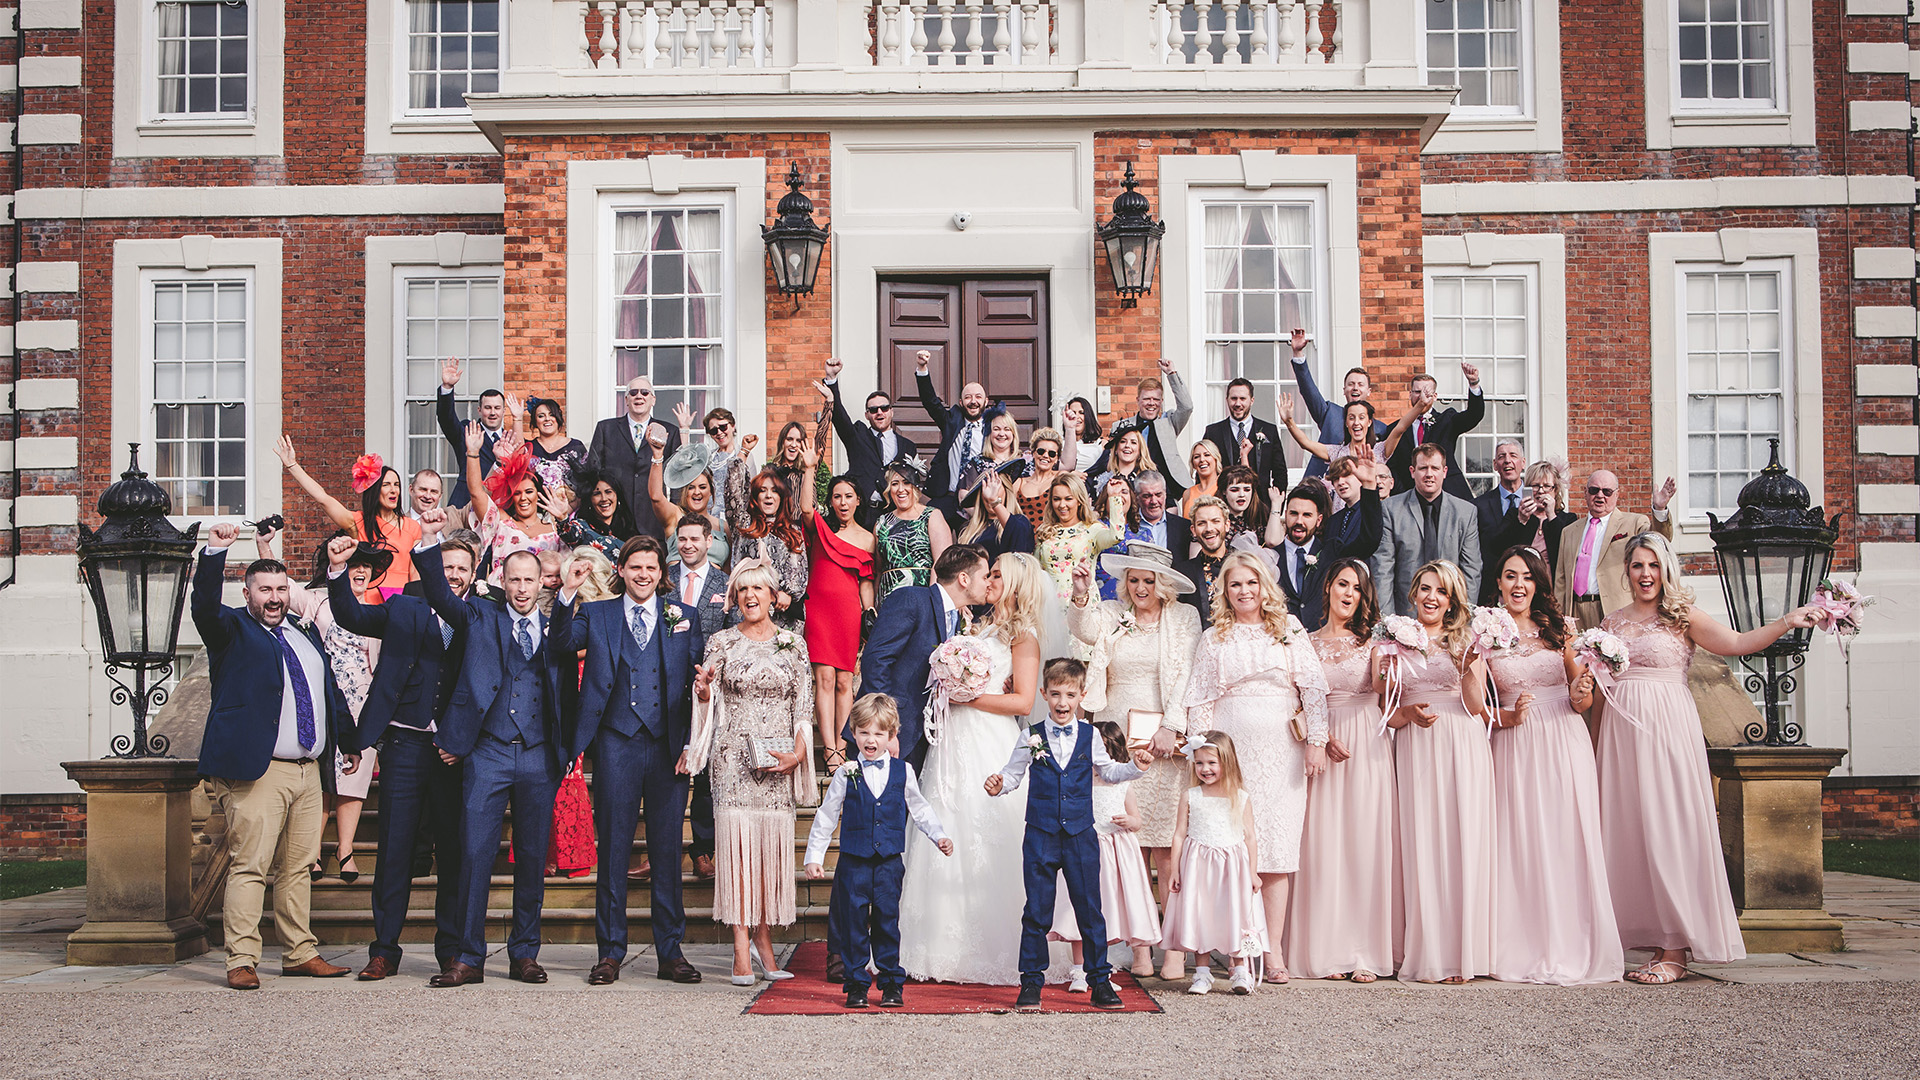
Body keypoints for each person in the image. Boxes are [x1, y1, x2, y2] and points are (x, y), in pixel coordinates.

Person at [1598, 533, 1819, 985]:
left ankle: (1676, 947)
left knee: (1670, 828)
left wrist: (1785, 622)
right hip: (1621, 736)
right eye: (1638, 565)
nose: (1645, 575)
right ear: (1627, 571)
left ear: (1666, 570)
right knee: (1628, 829)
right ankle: (1636, 934)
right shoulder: (1611, 622)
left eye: (1654, 566)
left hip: (1667, 733)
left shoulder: (1682, 618)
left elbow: (1736, 643)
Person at [193, 522, 359, 990]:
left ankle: (299, 952)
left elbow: (328, 693)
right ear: (247, 593)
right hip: (259, 771)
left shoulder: (304, 635)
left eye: (281, 588)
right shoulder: (231, 632)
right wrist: (215, 552)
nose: (274, 596)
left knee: (298, 867)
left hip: (309, 772)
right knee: (250, 865)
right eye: (264, 588)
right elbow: (204, 607)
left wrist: (347, 743)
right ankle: (241, 958)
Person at [552, 535, 707, 986]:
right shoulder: (596, 613)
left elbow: (698, 679)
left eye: (652, 569)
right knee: (615, 850)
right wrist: (566, 593)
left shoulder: (685, 617)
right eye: (635, 567)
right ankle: (609, 953)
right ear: (621, 570)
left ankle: (670, 951)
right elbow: (560, 643)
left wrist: (697, 714)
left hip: (667, 747)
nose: (643, 575)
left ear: (662, 574)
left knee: (666, 852)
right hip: (615, 743)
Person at [324, 515, 473, 982]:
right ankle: (385, 949)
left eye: (461, 568)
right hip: (405, 743)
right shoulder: (405, 606)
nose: (452, 574)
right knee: (393, 851)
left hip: (452, 753)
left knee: (453, 852)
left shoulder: (482, 613)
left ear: (474, 573)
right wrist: (336, 574)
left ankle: (450, 949)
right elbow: (352, 616)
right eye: (445, 565)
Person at [423, 539, 572, 987]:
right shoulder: (479, 617)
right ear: (500, 582)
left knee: (530, 857)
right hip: (487, 751)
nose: (522, 588)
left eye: (529, 580)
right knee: (473, 854)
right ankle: (468, 957)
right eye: (514, 580)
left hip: (538, 754)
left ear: (541, 583)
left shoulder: (555, 627)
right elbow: (438, 593)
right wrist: (430, 542)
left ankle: (524, 953)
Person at [898, 552, 1049, 985]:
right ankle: (935, 944)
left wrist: (966, 696)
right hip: (952, 743)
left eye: (998, 575)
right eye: (990, 573)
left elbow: (1022, 701)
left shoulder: (1024, 637)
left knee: (987, 829)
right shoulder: (978, 627)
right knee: (947, 821)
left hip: (989, 741)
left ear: (1017, 584)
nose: (990, 580)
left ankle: (996, 946)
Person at [1184, 551, 1331, 983]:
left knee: (1275, 852)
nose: (1244, 591)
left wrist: (1316, 743)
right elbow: (1201, 698)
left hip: (1282, 749)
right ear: (1224, 591)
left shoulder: (1289, 629)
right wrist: (1200, 750)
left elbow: (1314, 690)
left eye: (1251, 582)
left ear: (1264, 585)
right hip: (1233, 749)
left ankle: (1274, 951)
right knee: (1233, 851)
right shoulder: (1214, 638)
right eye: (1235, 584)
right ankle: (1239, 952)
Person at [1483, 547, 1622, 985]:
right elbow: (1476, 705)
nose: (1518, 584)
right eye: (1510, 576)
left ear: (1538, 584)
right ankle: (1518, 944)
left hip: (1562, 738)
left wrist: (1583, 688)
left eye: (1526, 576)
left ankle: (1571, 942)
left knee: (1565, 836)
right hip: (1512, 743)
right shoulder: (1485, 636)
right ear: (1499, 584)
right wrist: (1507, 716)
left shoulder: (1560, 633)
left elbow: (1581, 700)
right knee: (1518, 839)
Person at [986, 657, 1152, 1011]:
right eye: (1057, 694)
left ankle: (1100, 982)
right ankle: (1031, 983)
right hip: (1041, 834)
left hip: (1080, 834)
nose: (1063, 703)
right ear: (1044, 693)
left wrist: (1135, 767)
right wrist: (998, 785)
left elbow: (1109, 771)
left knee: (1090, 910)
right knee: (1036, 911)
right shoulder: (1030, 735)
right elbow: (1013, 775)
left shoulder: (1091, 736)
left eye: (1071, 695)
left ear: (1082, 696)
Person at [1066, 542, 1199, 971]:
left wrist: (1172, 726)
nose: (1140, 587)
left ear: (1163, 585)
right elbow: (1085, 629)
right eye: (1133, 580)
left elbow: (1187, 675)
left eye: (1148, 581)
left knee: (1166, 844)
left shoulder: (1184, 618)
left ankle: (1175, 947)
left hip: (1165, 739)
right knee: (1127, 843)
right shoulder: (1111, 613)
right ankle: (1139, 948)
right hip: (1115, 735)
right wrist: (1083, 593)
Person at [683, 560, 817, 986]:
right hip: (732, 760)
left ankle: (764, 941)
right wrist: (702, 691)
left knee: (767, 851)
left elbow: (804, 706)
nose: (751, 596)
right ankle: (742, 946)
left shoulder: (794, 644)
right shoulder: (720, 642)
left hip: (778, 759)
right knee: (739, 852)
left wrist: (797, 756)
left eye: (759, 588)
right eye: (743, 590)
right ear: (735, 597)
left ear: (774, 596)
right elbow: (708, 698)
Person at [804, 694, 952, 1010]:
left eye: (878, 734)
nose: (871, 740)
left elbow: (920, 809)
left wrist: (938, 835)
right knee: (854, 927)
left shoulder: (903, 772)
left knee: (887, 924)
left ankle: (890, 984)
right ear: (853, 733)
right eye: (864, 732)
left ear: (891, 736)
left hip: (888, 864)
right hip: (853, 865)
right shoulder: (846, 773)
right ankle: (856, 985)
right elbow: (827, 815)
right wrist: (814, 856)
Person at [1288, 559, 1397, 982]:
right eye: (1342, 584)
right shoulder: (1305, 641)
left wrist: (1391, 668)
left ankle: (1362, 951)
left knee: (1362, 843)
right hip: (1317, 744)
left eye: (1357, 587)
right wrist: (1319, 733)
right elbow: (1293, 697)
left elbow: (1385, 692)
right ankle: (1325, 949)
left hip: (1365, 744)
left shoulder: (1374, 643)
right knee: (1321, 843)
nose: (1349, 593)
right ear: (1329, 587)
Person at [1388, 560, 1494, 984]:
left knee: (1460, 841)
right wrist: (1408, 713)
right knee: (1422, 845)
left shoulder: (1466, 640)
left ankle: (1460, 954)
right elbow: (1386, 713)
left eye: (1442, 591)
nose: (1432, 597)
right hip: (1415, 745)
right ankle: (1427, 950)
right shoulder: (1395, 639)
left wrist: (1470, 662)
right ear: (1414, 593)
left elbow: (1474, 706)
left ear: (1452, 601)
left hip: (1459, 744)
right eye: (1426, 588)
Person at [265, 526, 388, 885]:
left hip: (363, 705)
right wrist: (264, 544)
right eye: (353, 564)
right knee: (322, 781)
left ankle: (346, 850)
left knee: (354, 782)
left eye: (366, 565)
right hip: (324, 703)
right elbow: (280, 588)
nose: (360, 570)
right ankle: (312, 851)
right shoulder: (317, 599)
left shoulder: (379, 610)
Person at [1045, 717, 1162, 990]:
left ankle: (1099, 969)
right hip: (1083, 851)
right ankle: (1078, 970)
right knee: (1078, 910)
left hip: (1115, 856)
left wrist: (1129, 822)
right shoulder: (1077, 782)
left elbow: (1138, 820)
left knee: (1106, 911)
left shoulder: (1122, 785)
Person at [857, 544, 992, 765]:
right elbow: (876, 661)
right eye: (984, 576)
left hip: (925, 733)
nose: (988, 583)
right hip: (889, 734)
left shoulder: (956, 619)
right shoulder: (911, 599)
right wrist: (884, 729)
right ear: (964, 579)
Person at [1159, 732, 1266, 996]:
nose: (1205, 769)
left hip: (1233, 868)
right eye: (1199, 763)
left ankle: (1241, 971)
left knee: (1236, 915)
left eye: (1211, 763)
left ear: (1227, 762)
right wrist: (1175, 869)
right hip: (1198, 866)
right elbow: (1179, 834)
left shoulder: (1240, 797)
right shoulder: (1191, 796)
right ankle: (1202, 973)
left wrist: (1252, 872)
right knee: (1201, 915)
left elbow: (1250, 836)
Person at [798, 450, 877, 765]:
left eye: (848, 496)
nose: (842, 502)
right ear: (830, 501)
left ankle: (843, 746)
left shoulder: (868, 539)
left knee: (845, 681)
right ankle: (829, 749)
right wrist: (809, 469)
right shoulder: (821, 529)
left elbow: (867, 582)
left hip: (848, 613)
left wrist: (868, 614)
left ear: (858, 500)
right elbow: (805, 507)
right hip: (819, 610)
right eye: (836, 497)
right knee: (825, 679)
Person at [276, 437, 422, 598]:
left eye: (396, 485)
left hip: (401, 602)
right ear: (374, 490)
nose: (394, 490)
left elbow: (416, 574)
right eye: (386, 485)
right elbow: (323, 499)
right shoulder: (358, 521)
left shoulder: (412, 527)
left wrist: (416, 606)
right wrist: (292, 465)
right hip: (367, 601)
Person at [669, 519, 727, 882]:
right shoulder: (662, 578)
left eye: (695, 539)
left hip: (712, 685)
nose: (688, 545)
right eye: (682, 539)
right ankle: (664, 849)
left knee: (705, 773)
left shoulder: (725, 583)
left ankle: (703, 849)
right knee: (668, 770)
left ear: (709, 540)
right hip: (668, 683)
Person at [1555, 469, 1676, 631]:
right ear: (1585, 493)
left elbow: (1658, 542)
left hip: (1615, 608)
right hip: (1575, 613)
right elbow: (1561, 580)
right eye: (1594, 490)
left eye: (1607, 491)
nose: (1600, 495)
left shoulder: (1633, 523)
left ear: (1617, 495)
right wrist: (1559, 616)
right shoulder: (1569, 531)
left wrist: (1659, 509)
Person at [1373, 445, 1482, 617]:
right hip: (1405, 615)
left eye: (1435, 468)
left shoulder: (1465, 513)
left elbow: (1471, 572)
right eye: (1423, 468)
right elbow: (1383, 570)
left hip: (1450, 617)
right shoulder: (1390, 509)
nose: (1429, 474)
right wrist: (1388, 622)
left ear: (1444, 471)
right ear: (1412, 471)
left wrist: (1463, 620)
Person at [1266, 475, 1383, 630]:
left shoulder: (1332, 552)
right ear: (1286, 514)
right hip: (1283, 645)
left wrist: (1368, 485)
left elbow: (1369, 541)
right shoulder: (1270, 557)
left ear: (1319, 520)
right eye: (1294, 514)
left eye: (1307, 515)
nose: (1299, 521)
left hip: (1323, 641)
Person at [584, 375, 682, 541]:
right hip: (615, 519)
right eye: (634, 392)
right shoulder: (605, 428)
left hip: (654, 519)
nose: (639, 396)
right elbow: (592, 473)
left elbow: (677, 477)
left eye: (645, 392)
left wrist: (674, 514)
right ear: (626, 399)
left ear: (653, 400)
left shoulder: (669, 431)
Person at [914, 349, 1007, 524]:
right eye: (968, 397)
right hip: (947, 496)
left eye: (978, 397)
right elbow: (930, 402)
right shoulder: (951, 421)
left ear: (986, 402)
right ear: (961, 402)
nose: (973, 401)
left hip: (978, 499)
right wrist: (922, 368)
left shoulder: (994, 428)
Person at [1279, 395, 1414, 514]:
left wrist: (1420, 406)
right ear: (1346, 423)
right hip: (1341, 515)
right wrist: (1289, 421)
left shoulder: (1379, 450)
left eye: (1361, 418)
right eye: (1351, 418)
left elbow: (1400, 429)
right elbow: (1306, 443)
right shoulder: (1337, 452)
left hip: (1369, 515)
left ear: (1369, 422)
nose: (1356, 422)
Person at [819, 358, 921, 513]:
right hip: (863, 513)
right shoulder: (858, 436)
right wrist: (832, 380)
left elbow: (912, 484)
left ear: (891, 412)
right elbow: (839, 417)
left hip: (895, 513)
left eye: (884, 408)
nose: (879, 412)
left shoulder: (908, 446)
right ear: (867, 415)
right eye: (873, 410)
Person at [464, 428, 562, 584]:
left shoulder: (556, 529)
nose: (523, 497)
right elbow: (476, 493)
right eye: (517, 493)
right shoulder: (501, 522)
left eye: (529, 491)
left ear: (538, 494)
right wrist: (473, 452)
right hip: (501, 599)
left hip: (543, 603)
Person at [1288, 328, 1386, 480]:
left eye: (1360, 384)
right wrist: (1298, 355)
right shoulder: (1330, 414)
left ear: (1369, 391)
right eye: (1351, 384)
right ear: (1344, 390)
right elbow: (1309, 392)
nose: (1355, 387)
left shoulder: (1381, 429)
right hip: (1323, 488)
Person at [725, 462, 809, 630]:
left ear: (782, 497)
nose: (768, 496)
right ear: (755, 497)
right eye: (762, 491)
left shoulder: (792, 532)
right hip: (748, 608)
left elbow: (797, 569)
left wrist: (788, 594)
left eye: (774, 491)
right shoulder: (743, 525)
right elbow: (733, 494)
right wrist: (743, 453)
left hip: (783, 616)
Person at [1091, 361, 1195, 494]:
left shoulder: (1169, 422)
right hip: (1131, 487)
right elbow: (1109, 459)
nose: (1151, 403)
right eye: (1146, 399)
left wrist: (1171, 374)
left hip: (1166, 488)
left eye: (1156, 399)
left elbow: (1187, 407)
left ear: (1161, 401)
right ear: (1138, 400)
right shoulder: (1121, 426)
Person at [1385, 368, 1485, 501]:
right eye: (1417, 392)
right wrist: (1403, 494)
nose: (1422, 397)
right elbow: (1392, 466)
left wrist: (1474, 384)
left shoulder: (1447, 420)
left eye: (1427, 392)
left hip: (1448, 493)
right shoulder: (1395, 429)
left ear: (1435, 396)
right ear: (1410, 394)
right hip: (1409, 498)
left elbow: (1474, 416)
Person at [650, 409, 730, 565]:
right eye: (691, 488)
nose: (697, 492)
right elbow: (656, 497)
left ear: (711, 492)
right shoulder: (675, 516)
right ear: (684, 492)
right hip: (678, 585)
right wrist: (658, 456)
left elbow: (727, 570)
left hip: (713, 587)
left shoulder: (722, 526)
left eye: (702, 487)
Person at [1482, 459, 1577, 582]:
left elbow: (1567, 552)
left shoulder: (1567, 519)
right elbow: (1497, 548)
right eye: (1535, 486)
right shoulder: (1515, 514)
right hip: (1521, 584)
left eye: (1547, 486)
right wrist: (1521, 521)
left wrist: (1552, 516)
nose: (1541, 491)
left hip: (1554, 586)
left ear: (1555, 490)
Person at [874, 462, 953, 605]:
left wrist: (932, 602)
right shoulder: (882, 523)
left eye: (906, 483)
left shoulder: (931, 515)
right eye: (894, 484)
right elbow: (879, 570)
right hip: (889, 600)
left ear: (915, 486)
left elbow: (942, 562)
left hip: (922, 597)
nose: (900, 489)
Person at [1036, 474, 1121, 603]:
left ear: (1079, 500)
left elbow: (1116, 536)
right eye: (1057, 499)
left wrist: (1114, 498)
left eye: (1068, 499)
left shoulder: (1093, 529)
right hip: (1050, 606)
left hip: (1083, 603)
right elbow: (1037, 570)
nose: (1062, 505)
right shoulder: (1045, 531)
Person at [436, 357, 507, 508]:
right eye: (488, 408)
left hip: (499, 508)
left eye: (497, 408)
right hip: (466, 504)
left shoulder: (510, 439)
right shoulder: (468, 431)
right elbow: (447, 420)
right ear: (479, 410)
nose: (492, 413)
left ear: (504, 411)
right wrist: (447, 387)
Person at [1201, 377, 1287, 498]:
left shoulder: (1269, 430)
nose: (1238, 404)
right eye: (1233, 398)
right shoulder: (1213, 432)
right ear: (1227, 400)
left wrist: (1275, 506)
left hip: (1261, 506)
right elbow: (1204, 471)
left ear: (1252, 400)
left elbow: (1280, 472)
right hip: (1223, 505)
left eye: (1242, 399)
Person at [551, 465, 640, 563]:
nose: (604, 498)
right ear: (589, 499)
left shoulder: (627, 526)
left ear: (617, 496)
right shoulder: (583, 527)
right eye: (597, 494)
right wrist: (562, 518)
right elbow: (570, 534)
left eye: (608, 492)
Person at [1473, 440, 1529, 573]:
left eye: (1513, 455)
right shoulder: (1478, 506)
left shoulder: (1534, 503)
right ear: (1495, 465)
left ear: (1523, 463)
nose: (1507, 460)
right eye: (1501, 456)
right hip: (1491, 582)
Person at [955, 469, 1036, 560]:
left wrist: (995, 502)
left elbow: (1017, 533)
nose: (990, 493)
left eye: (995, 487)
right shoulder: (968, 530)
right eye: (987, 488)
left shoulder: (1021, 521)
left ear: (1006, 490)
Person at [521, 394, 588, 497]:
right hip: (536, 510)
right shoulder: (529, 448)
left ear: (558, 417)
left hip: (569, 509)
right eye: (541, 416)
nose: (547, 419)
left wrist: (568, 510)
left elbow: (586, 483)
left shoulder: (575, 446)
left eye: (551, 414)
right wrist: (517, 418)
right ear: (535, 422)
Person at [1178, 495, 1233, 616]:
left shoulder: (1246, 566)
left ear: (1227, 525)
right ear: (1193, 530)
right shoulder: (1183, 573)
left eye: (1215, 521)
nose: (1209, 528)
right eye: (1202, 523)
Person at [1012, 427, 1067, 523]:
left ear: (1056, 459)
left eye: (1052, 453)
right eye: (1041, 451)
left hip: (1053, 535)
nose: (1046, 456)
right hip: (1025, 536)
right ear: (1033, 453)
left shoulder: (1060, 477)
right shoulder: (1019, 483)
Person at [1088, 427, 1158, 500]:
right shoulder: (1101, 481)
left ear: (1140, 450)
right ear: (1116, 449)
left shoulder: (1150, 479)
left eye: (1133, 442)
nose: (1127, 445)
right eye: (1123, 441)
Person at [1218, 464, 1267, 548]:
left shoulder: (1260, 519)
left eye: (1247, 490)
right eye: (1234, 490)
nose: (1241, 494)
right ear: (1224, 491)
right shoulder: (1216, 522)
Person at [1054, 393, 1105, 473]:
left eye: (1081, 412)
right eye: (1073, 412)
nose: (1076, 416)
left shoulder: (1100, 445)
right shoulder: (1058, 444)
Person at [407, 468, 468, 533]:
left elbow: (476, 496)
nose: (428, 496)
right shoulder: (398, 522)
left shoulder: (452, 516)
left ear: (440, 496)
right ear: (411, 490)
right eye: (423, 489)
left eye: (434, 491)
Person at [1181, 439, 1225, 520]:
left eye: (1207, 455)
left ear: (1216, 459)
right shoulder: (1187, 493)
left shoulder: (1224, 488)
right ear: (1193, 463)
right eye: (1197, 457)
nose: (1202, 460)